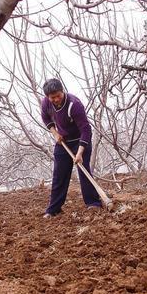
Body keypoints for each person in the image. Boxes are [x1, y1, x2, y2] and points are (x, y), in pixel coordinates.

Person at [40, 78, 102, 218]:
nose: (56, 99)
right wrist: (55, 133)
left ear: (62, 91)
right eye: (52, 97)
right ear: (47, 97)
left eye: (58, 95)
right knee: (59, 175)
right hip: (63, 142)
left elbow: (86, 130)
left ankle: (93, 203)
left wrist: (80, 152)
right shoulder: (46, 104)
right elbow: (46, 119)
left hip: (80, 140)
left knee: (83, 171)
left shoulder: (74, 104)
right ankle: (54, 209)